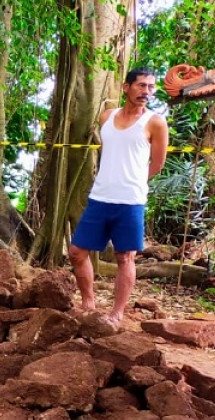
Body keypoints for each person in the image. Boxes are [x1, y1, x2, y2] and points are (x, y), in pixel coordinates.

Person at [68, 68, 169, 327]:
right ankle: (88, 302)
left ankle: (117, 313)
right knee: (77, 252)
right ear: (126, 87)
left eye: (150, 87)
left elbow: (157, 163)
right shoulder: (107, 117)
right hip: (100, 197)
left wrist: (134, 182)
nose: (146, 91)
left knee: (125, 257)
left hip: (131, 201)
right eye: (141, 86)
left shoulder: (155, 122)